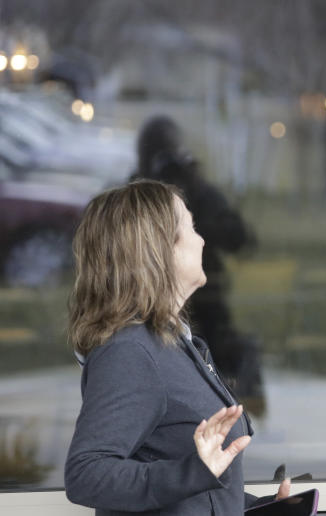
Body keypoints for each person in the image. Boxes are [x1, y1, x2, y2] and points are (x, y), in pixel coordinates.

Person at [64, 180, 288, 514]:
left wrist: (264, 508)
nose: (202, 240)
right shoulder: (129, 352)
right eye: (190, 227)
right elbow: (86, 474)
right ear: (157, 249)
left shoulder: (173, 343)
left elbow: (195, 486)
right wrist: (192, 472)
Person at [133, 116, 265, 415]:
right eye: (158, 153)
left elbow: (241, 240)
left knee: (215, 384)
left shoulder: (198, 191)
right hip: (146, 305)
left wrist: (198, 191)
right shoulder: (133, 196)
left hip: (207, 304)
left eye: (171, 153)